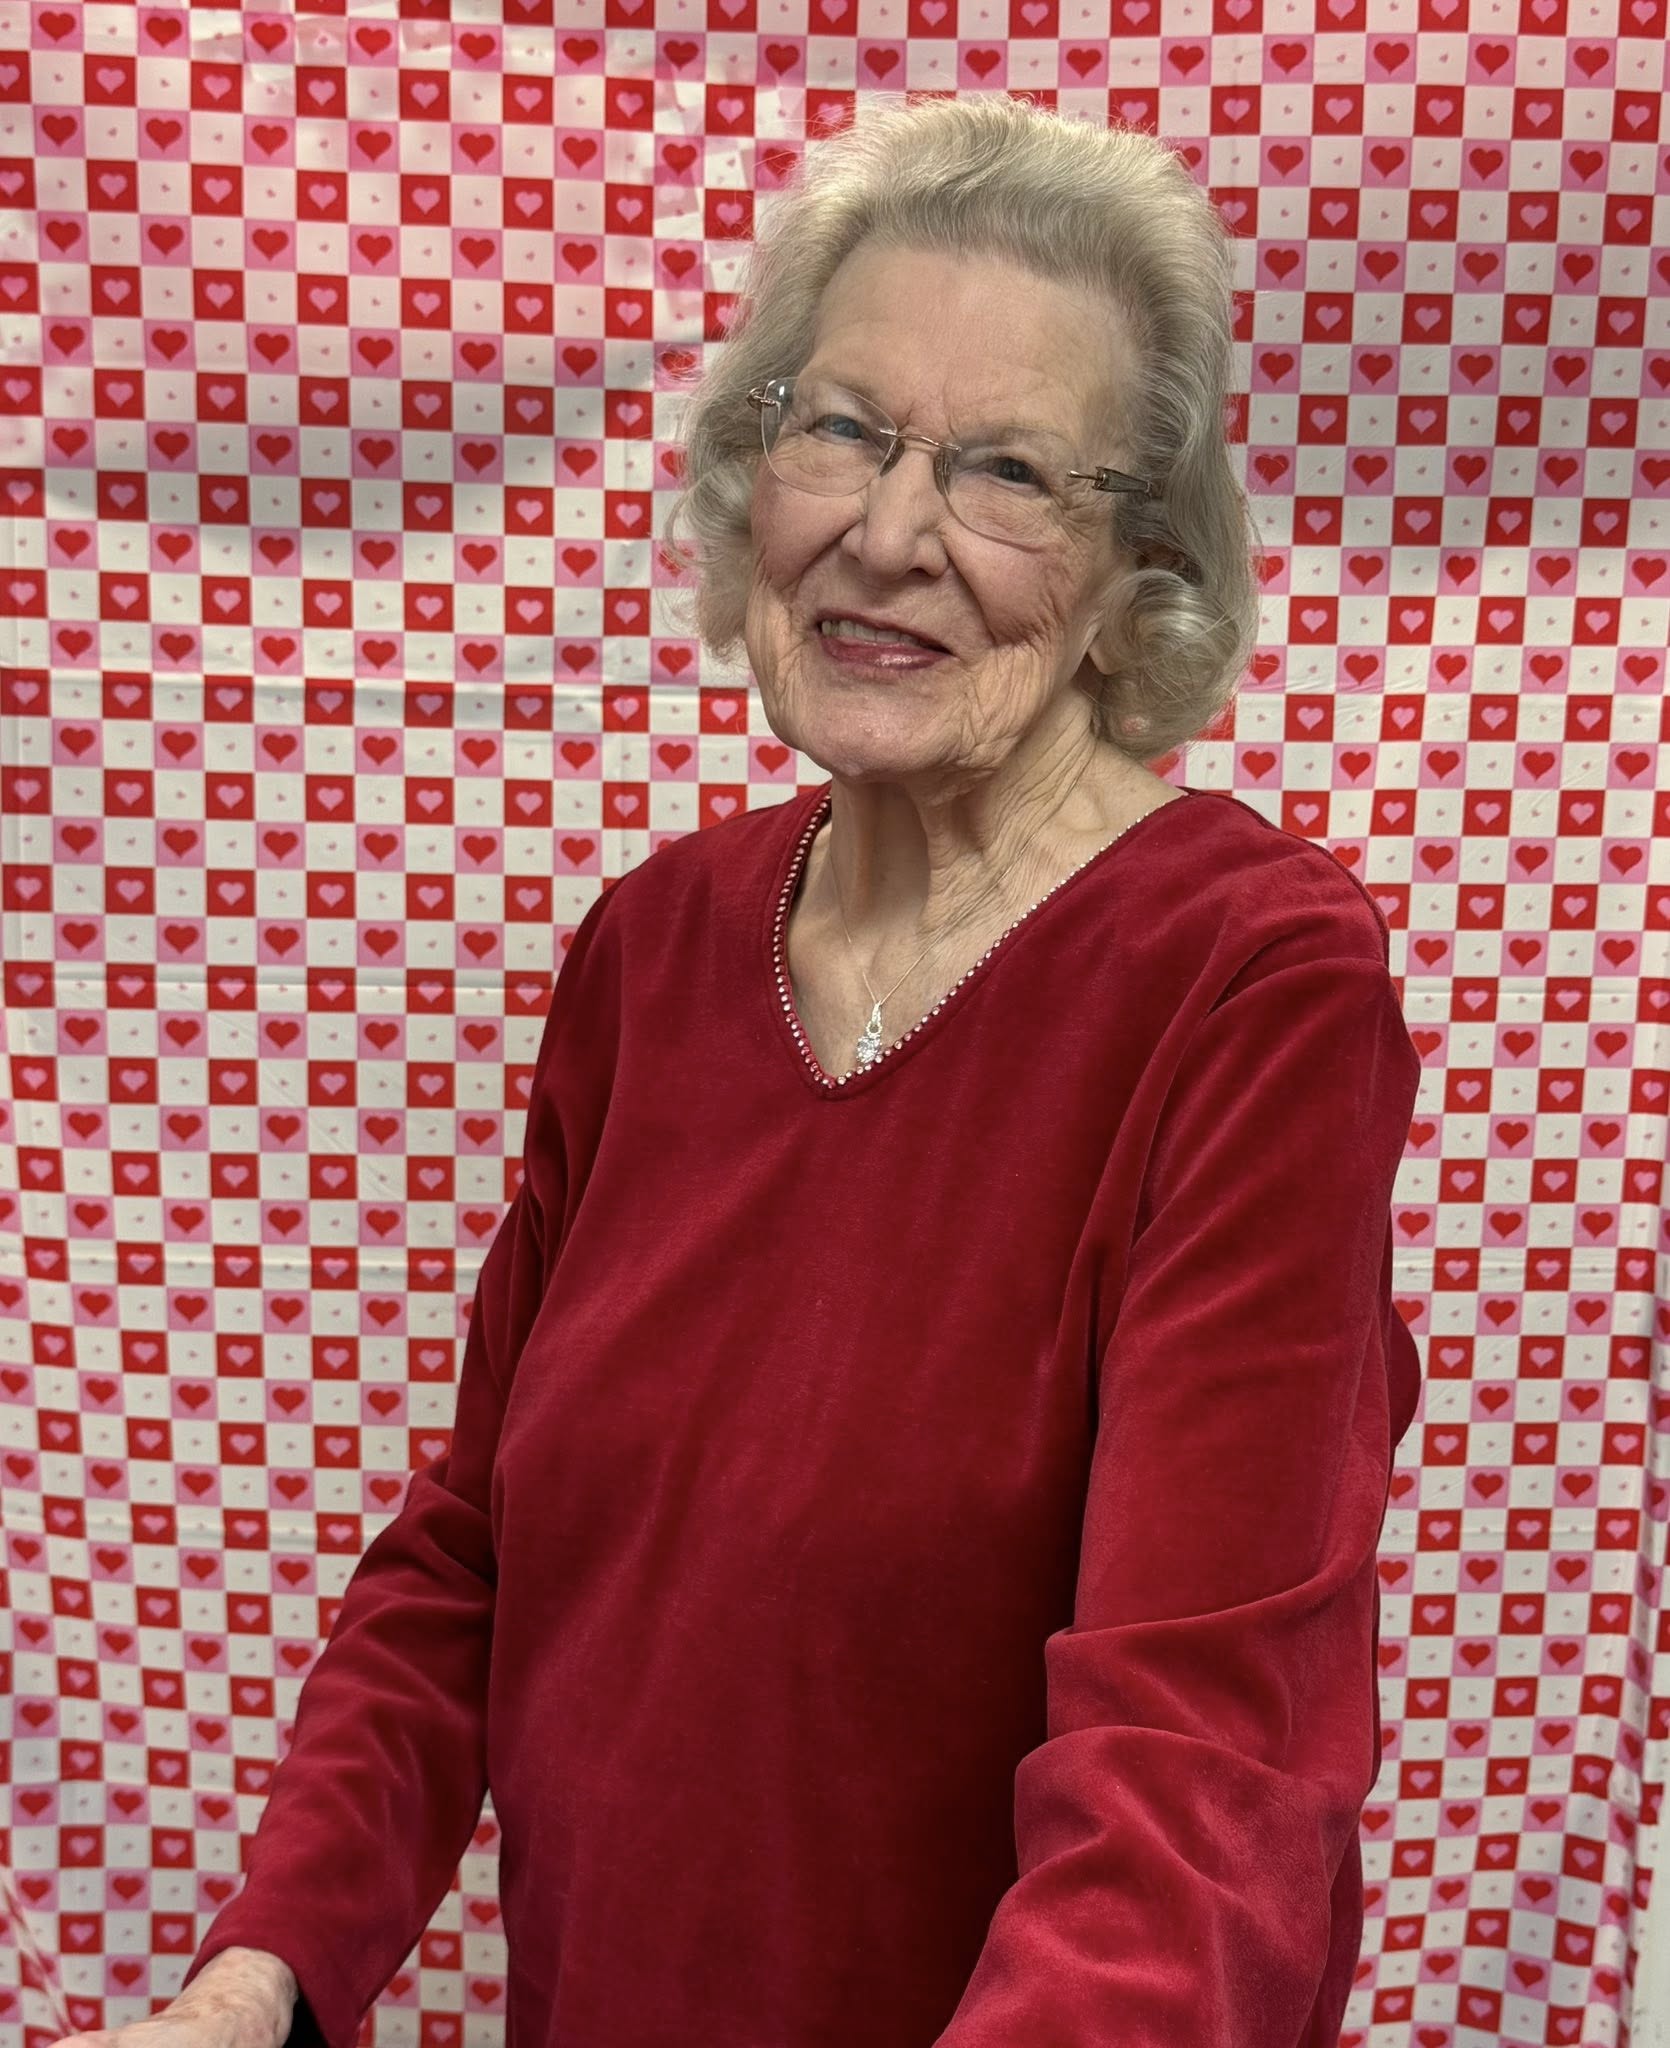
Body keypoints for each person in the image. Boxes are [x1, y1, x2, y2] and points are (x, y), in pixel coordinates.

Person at [59, 91, 1423, 2048]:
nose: (888, 533)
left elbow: (1202, 1770)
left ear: (1137, 563)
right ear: (746, 470)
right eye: (841, 429)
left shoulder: (1246, 982)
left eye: (1006, 472)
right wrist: (261, 1975)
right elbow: (472, 1559)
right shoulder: (652, 949)